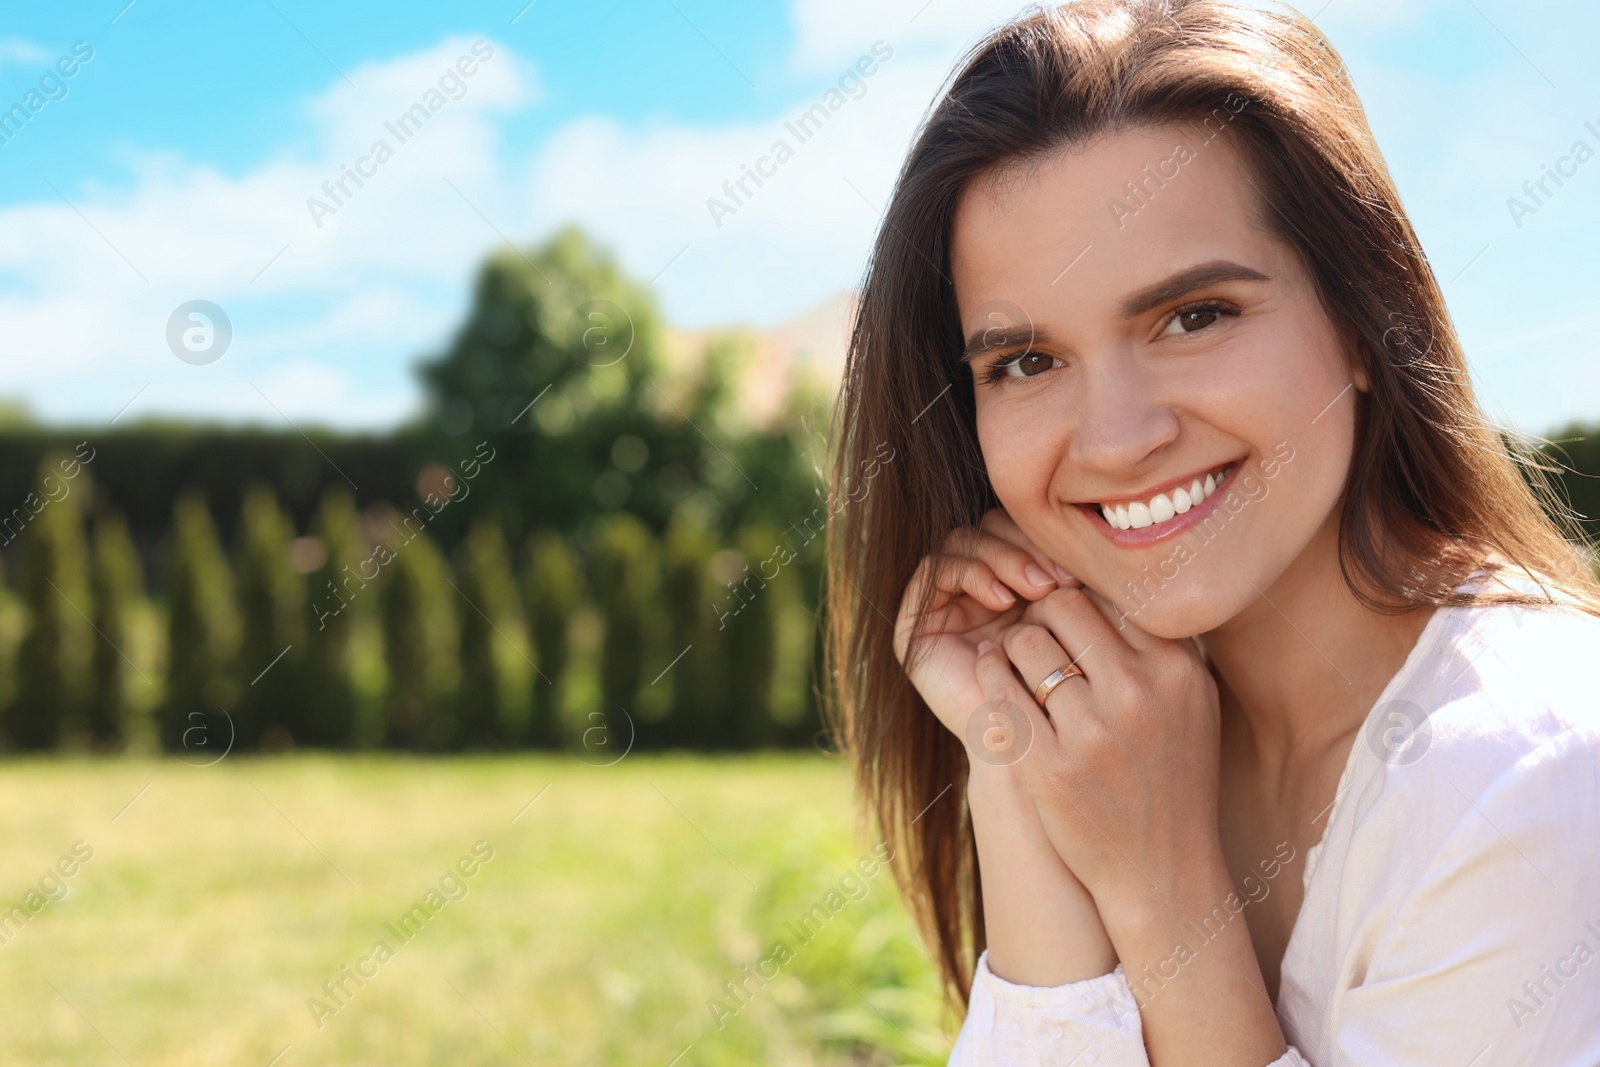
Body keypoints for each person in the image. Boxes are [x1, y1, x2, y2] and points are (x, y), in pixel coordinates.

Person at [821, 1, 1600, 1063]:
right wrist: (1013, 745)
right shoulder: (1118, 727)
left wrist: (1160, 884)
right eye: (1027, 361)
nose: (1118, 437)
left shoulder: (1533, 772)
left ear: (1367, 321)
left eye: (1194, 316)